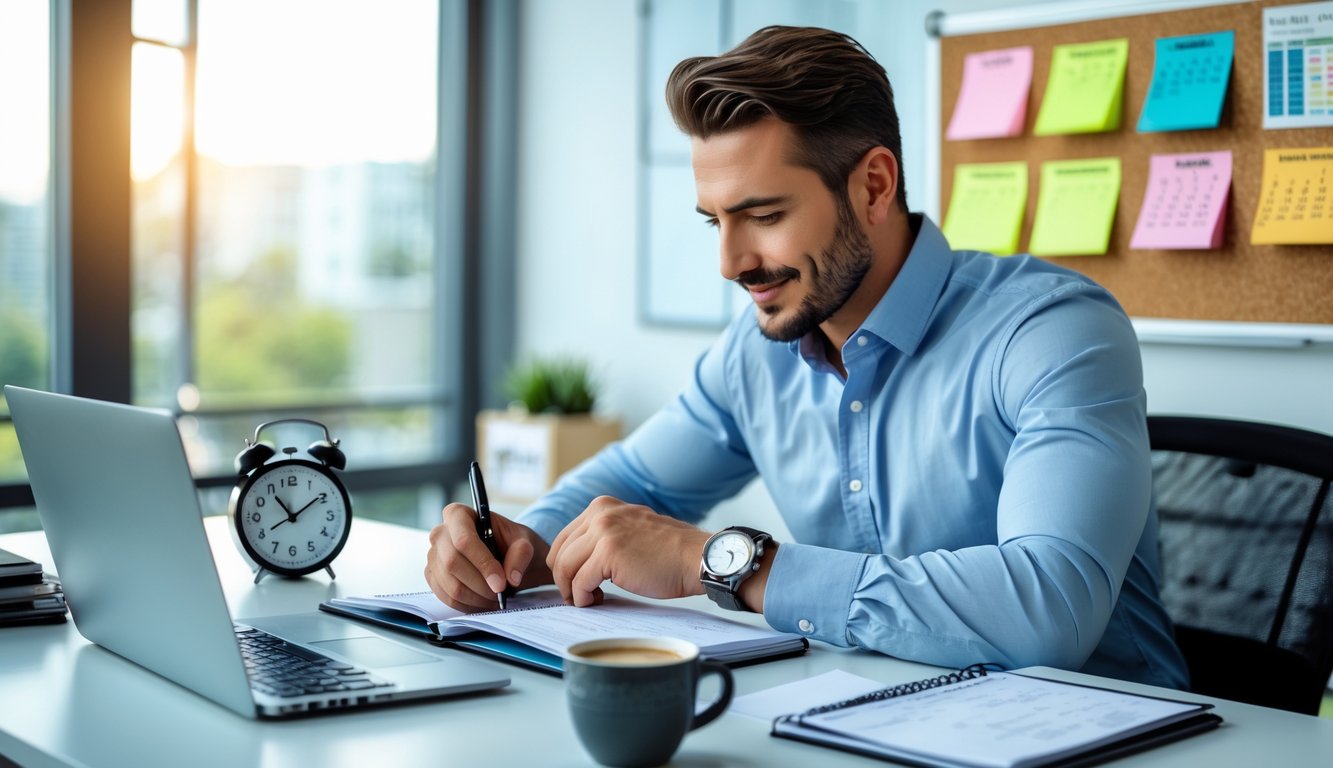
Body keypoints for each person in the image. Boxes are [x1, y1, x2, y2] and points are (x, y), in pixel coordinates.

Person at [425, 25, 1189, 689]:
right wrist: (517, 543)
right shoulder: (757, 354)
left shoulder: (1050, 330)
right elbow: (631, 485)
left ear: (873, 185)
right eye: (713, 221)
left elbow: (1048, 607)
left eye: (763, 215)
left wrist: (730, 562)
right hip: (861, 713)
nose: (730, 261)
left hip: (1107, 728)